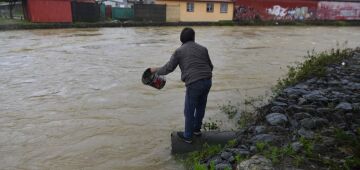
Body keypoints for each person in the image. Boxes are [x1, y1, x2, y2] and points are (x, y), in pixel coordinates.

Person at [150, 27, 213, 144]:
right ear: (193, 37)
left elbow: (168, 69)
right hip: (208, 80)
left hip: (194, 83)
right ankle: (196, 130)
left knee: (189, 110)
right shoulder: (203, 49)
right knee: (201, 106)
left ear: (181, 39)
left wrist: (155, 70)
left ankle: (188, 136)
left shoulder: (179, 51)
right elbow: (211, 67)